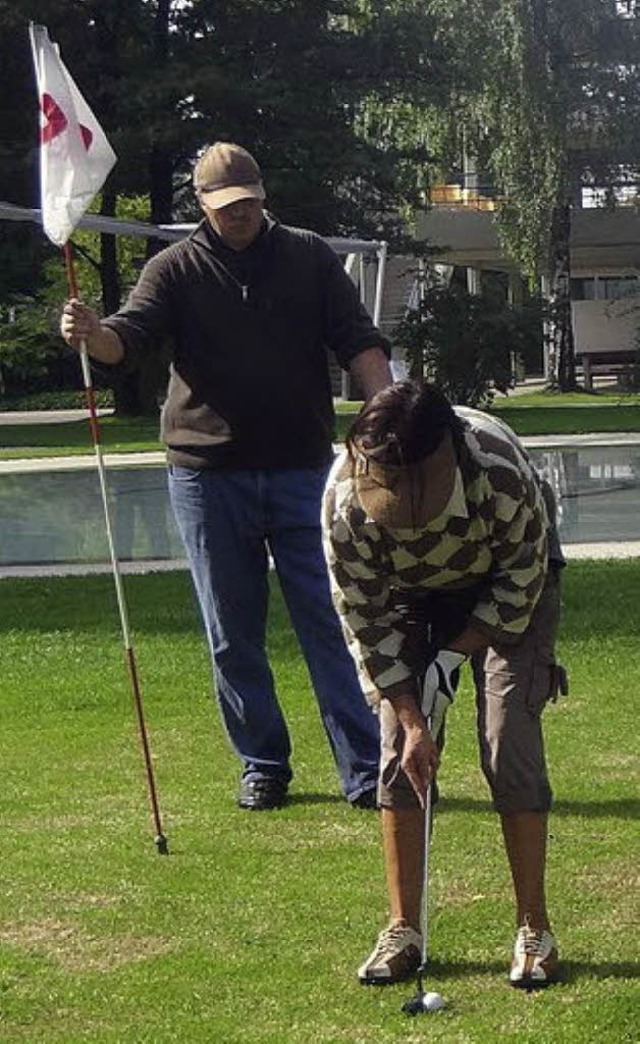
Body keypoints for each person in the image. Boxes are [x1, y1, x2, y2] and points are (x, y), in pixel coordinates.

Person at [60, 141, 392, 811]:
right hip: (207, 477)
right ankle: (263, 763)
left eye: (246, 204)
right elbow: (128, 339)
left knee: (332, 621)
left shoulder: (308, 256)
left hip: (302, 469)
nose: (237, 216)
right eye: (223, 207)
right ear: (203, 207)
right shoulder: (175, 268)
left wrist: (386, 417)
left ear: (262, 198)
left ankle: (366, 767)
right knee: (230, 631)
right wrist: (90, 334)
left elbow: (358, 338)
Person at [322, 379, 567, 990]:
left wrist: (450, 658)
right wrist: (411, 716)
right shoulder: (345, 500)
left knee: (509, 739)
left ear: (446, 456)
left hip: (506, 589)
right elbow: (366, 620)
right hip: (405, 600)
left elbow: (520, 587)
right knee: (396, 756)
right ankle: (403, 928)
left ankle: (535, 927)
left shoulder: (500, 470)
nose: (398, 497)